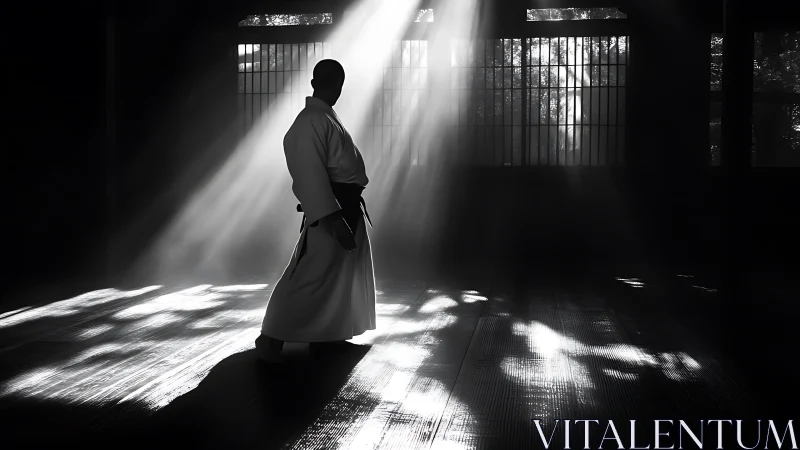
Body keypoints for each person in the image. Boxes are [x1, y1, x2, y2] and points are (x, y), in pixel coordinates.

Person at [255, 59, 376, 363]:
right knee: (312, 274)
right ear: (319, 83)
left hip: (344, 205)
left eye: (337, 82)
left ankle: (329, 335)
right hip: (332, 209)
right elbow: (310, 176)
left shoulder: (325, 118)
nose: (336, 88)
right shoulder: (310, 121)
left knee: (337, 276)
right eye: (332, 82)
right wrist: (333, 219)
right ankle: (271, 335)